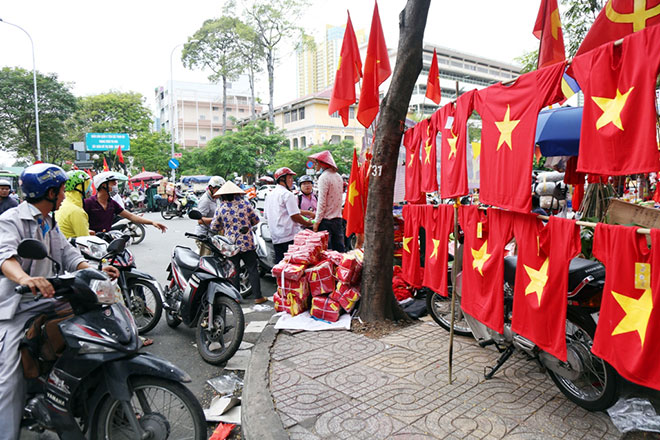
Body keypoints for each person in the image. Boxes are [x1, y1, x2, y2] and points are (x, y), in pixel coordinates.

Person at [0, 164, 119, 439]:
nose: (66, 194)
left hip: (49, 299)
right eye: (63, 189)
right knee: (9, 378)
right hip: (16, 308)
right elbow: (6, 258)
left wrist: (95, 270)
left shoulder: (48, 220)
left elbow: (68, 255)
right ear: (50, 192)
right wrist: (24, 279)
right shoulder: (11, 220)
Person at [209, 181, 265, 304]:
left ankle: (236, 298)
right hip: (247, 242)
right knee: (252, 269)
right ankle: (258, 297)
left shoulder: (221, 208)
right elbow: (256, 220)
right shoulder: (245, 204)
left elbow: (214, 227)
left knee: (234, 270)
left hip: (231, 244)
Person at [84, 172, 168, 234]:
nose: (115, 186)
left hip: (106, 240)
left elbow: (130, 216)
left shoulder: (112, 204)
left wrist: (152, 222)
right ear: (102, 185)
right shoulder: (88, 203)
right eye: (113, 183)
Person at [264, 167, 313, 264]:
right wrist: (307, 223)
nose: (292, 181)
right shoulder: (287, 194)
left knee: (280, 266)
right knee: (292, 267)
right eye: (290, 178)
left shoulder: (269, 194)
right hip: (289, 237)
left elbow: (266, 215)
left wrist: (307, 214)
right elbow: (295, 215)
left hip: (276, 237)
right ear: (282, 180)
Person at [309, 150, 345, 252]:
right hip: (338, 220)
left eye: (316, 163)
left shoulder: (323, 177)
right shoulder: (338, 177)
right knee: (339, 253)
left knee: (326, 255)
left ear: (322, 163)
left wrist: (316, 222)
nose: (315, 165)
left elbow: (322, 202)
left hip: (326, 222)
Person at [55, 170, 95, 238]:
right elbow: (85, 240)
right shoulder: (77, 211)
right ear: (79, 187)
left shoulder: (63, 204)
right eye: (87, 185)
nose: (90, 189)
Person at [195, 176, 225, 256]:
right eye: (218, 189)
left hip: (215, 235)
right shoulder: (205, 200)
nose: (220, 192)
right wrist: (216, 219)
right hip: (205, 236)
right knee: (207, 260)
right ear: (211, 188)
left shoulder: (217, 199)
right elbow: (200, 220)